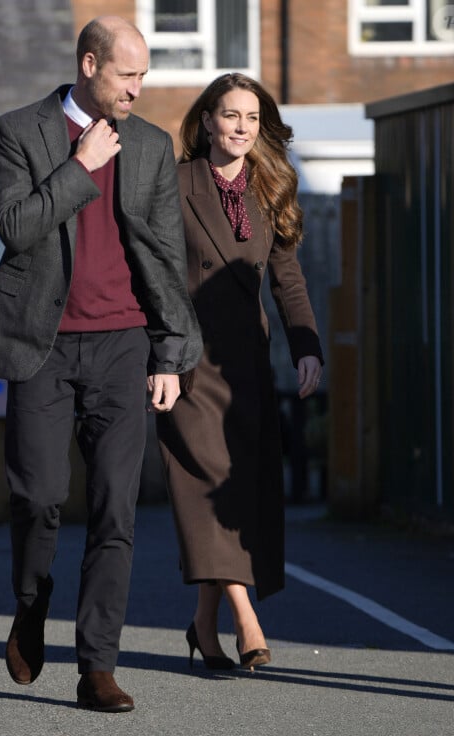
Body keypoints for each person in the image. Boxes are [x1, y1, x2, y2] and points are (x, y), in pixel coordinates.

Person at [0, 16, 202, 712]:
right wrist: (81, 168)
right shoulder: (19, 131)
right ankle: (30, 604)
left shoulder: (153, 145)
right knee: (38, 498)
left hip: (123, 344)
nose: (137, 89)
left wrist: (169, 351)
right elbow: (15, 228)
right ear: (90, 63)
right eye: (127, 76)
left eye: (142, 78)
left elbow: (165, 255)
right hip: (42, 345)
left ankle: (98, 665)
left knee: (115, 510)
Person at [156, 73, 323, 671]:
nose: (240, 128)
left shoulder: (271, 187)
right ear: (206, 122)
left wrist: (306, 346)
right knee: (206, 480)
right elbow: (154, 276)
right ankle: (245, 615)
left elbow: (288, 280)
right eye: (230, 116)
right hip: (187, 360)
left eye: (251, 119)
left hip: (245, 361)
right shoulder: (174, 185)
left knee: (234, 489)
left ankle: (204, 625)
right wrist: (161, 355)